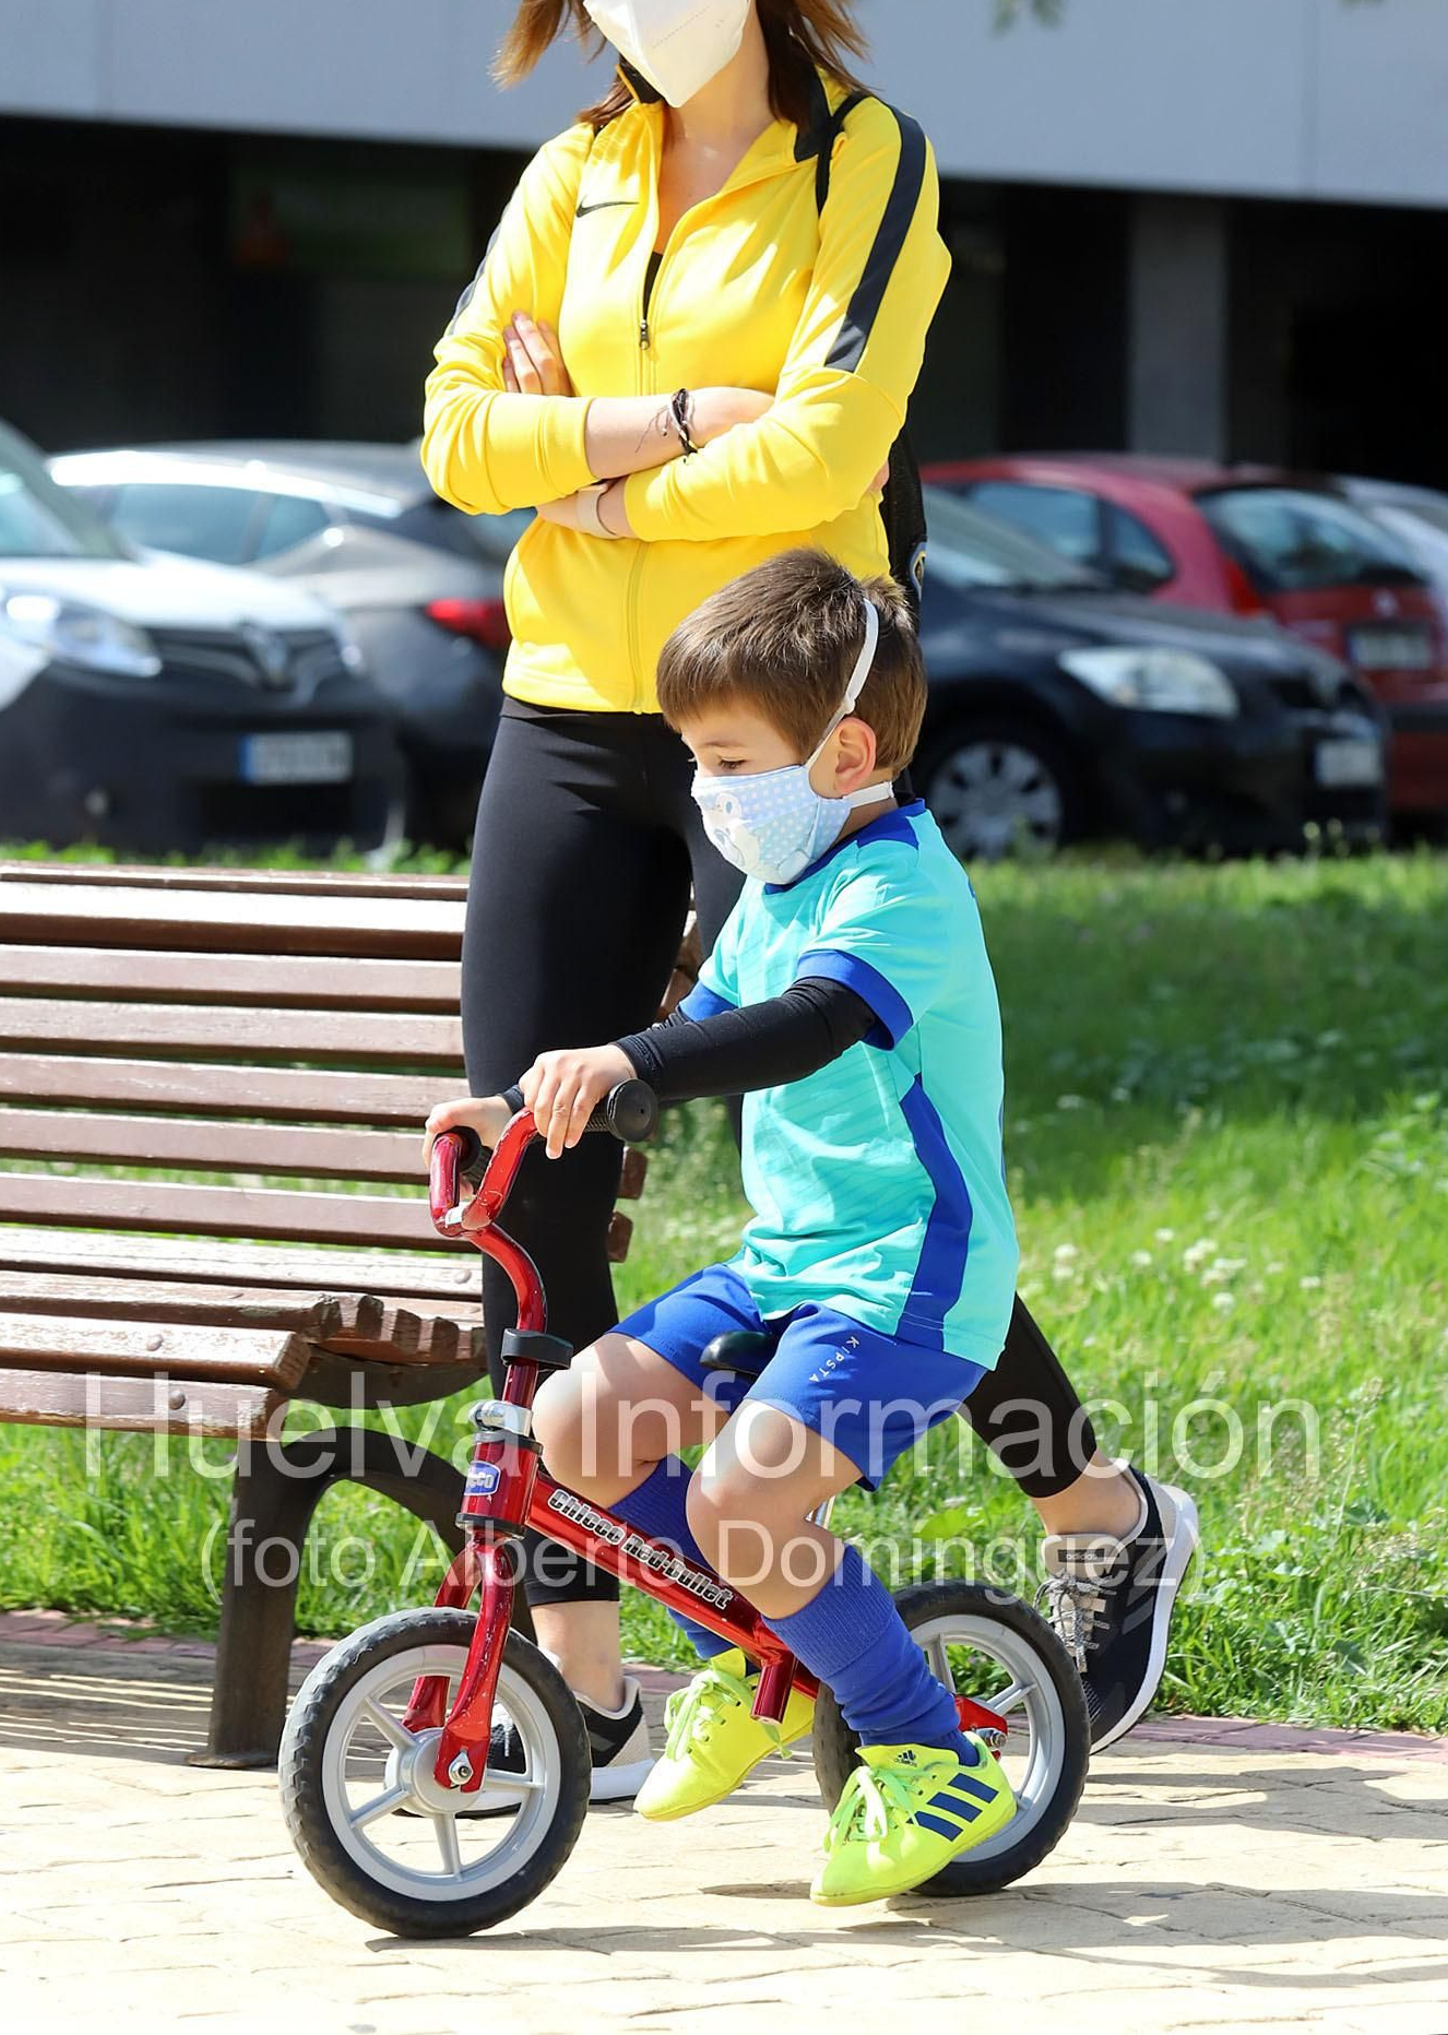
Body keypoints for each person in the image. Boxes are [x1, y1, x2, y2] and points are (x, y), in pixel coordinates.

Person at [420, 0, 1195, 1805]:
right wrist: (671, 418)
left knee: (879, 1147)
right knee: (538, 1162)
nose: (626, 9)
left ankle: (1092, 1514)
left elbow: (825, 445)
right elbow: (447, 434)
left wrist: (579, 465)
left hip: (785, 708)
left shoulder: (870, 167)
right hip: (573, 703)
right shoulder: (574, 177)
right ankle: (582, 1671)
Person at [431, 554, 1031, 1905]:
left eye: (722, 758)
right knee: (579, 1424)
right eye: (692, 757)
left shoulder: (902, 891)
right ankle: (767, 1633)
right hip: (787, 1265)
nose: (702, 791)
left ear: (848, 750)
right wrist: (533, 1096)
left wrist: (632, 1068)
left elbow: (807, 1024)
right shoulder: (780, 883)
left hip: (903, 1286)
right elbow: (702, 1024)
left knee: (742, 1495)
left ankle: (928, 1752)